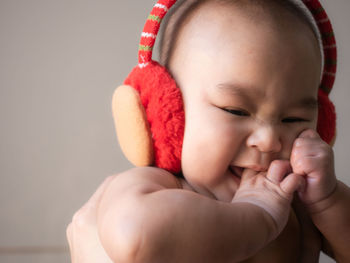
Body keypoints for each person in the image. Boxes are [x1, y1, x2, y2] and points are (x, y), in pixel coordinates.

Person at [66, 0, 350, 262]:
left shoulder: (295, 200)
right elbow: (134, 237)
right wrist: (257, 216)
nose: (269, 141)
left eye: (293, 118)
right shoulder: (157, 188)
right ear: (166, 115)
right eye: (235, 111)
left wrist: (327, 200)